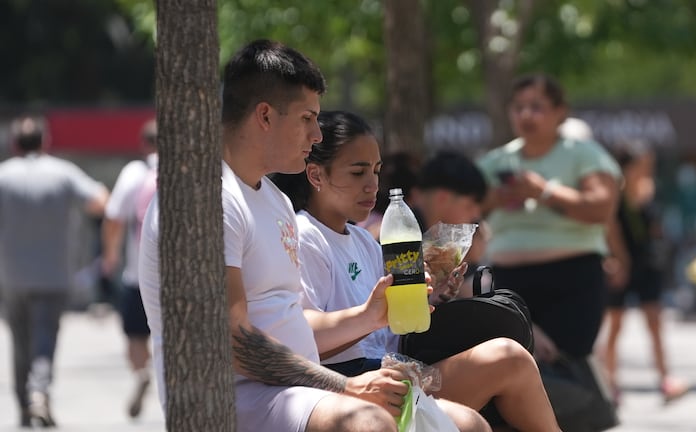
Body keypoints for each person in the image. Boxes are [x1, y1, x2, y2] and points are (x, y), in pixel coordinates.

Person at [138, 39, 489, 432]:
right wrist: (346, 385)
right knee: (368, 422)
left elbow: (290, 320)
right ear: (266, 116)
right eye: (307, 118)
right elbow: (232, 341)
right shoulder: (205, 198)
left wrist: (370, 316)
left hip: (294, 389)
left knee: (470, 424)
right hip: (234, 397)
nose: (316, 136)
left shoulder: (274, 200)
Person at [272, 110, 561, 432]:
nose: (371, 185)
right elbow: (300, 338)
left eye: (376, 171)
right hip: (348, 385)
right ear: (316, 176)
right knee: (490, 390)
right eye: (357, 172)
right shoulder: (304, 236)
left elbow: (387, 330)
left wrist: (428, 299)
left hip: (394, 370)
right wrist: (372, 315)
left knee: (509, 357)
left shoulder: (362, 240)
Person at [476, 74, 621, 363]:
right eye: (518, 107)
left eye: (536, 106)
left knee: (563, 364)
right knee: (506, 366)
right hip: (506, 279)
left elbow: (601, 208)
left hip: (573, 280)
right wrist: (497, 198)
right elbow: (456, 212)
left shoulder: (585, 155)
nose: (526, 115)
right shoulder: (494, 162)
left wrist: (544, 191)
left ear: (560, 111)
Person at [0, 115, 109, 427]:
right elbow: (101, 202)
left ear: (14, 144)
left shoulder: (3, 176)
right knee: (45, 337)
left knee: (20, 340)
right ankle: (39, 392)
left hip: (12, 275)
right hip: (54, 274)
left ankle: (24, 405)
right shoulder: (62, 173)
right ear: (45, 142)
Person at [601, 139, 689, 404]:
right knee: (615, 324)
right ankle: (611, 383)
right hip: (622, 263)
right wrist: (620, 261)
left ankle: (665, 379)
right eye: (643, 163)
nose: (648, 168)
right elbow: (611, 230)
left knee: (654, 321)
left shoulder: (650, 189)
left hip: (647, 263)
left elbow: (655, 227)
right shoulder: (615, 192)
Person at [101, 117, 157, 418]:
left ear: (143, 143)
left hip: (138, 273)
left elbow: (113, 216)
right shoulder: (188, 169)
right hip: (179, 279)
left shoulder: (135, 172)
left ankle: (141, 373)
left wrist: (110, 255)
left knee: (136, 336)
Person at [407, 150, 490, 299]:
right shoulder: (401, 237)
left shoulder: (444, 243)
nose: (475, 215)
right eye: (470, 205)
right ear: (443, 198)